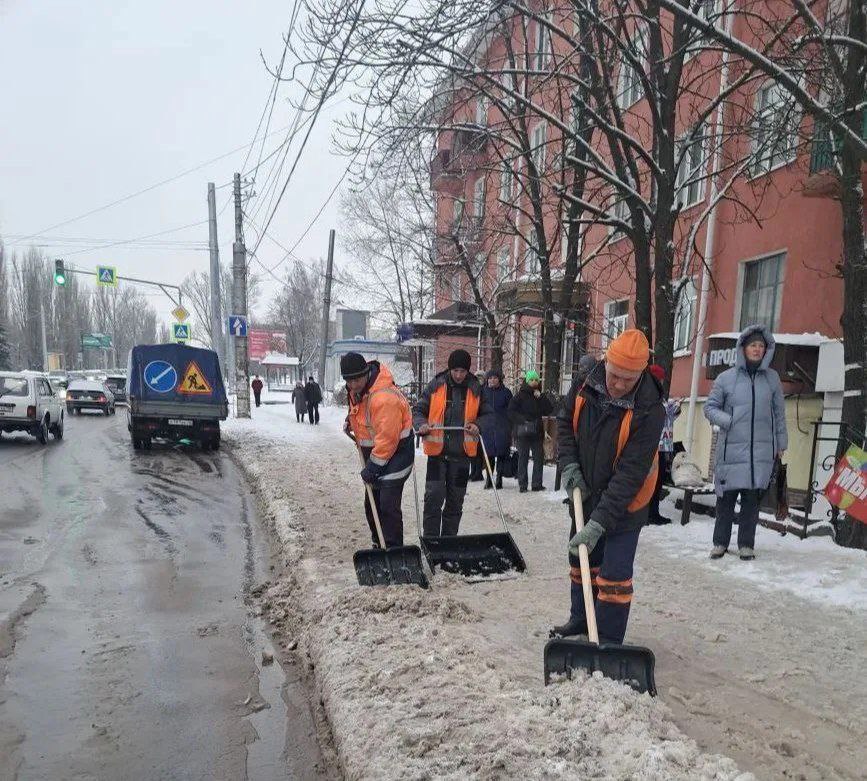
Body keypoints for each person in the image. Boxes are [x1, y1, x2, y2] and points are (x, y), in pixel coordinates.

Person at [552, 329, 665, 644]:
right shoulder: (586, 382)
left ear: (640, 374)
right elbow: (564, 422)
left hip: (626, 503)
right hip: (585, 491)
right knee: (582, 560)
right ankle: (580, 620)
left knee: (614, 575)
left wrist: (599, 522)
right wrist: (569, 465)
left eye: (628, 380)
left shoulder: (650, 408)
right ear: (605, 363)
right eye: (615, 375)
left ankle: (608, 640)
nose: (618, 384)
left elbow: (631, 473)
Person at [704, 324, 788, 561]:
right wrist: (728, 420)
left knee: (751, 502)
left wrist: (781, 443)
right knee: (726, 501)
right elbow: (710, 407)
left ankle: (746, 545)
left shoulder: (772, 379)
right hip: (731, 450)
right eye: (753, 345)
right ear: (743, 348)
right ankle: (720, 542)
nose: (757, 349)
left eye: (761, 346)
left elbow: (779, 414)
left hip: (759, 452)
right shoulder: (725, 378)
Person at [413, 349, 491, 537]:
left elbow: (488, 415)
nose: (458, 375)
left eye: (462, 371)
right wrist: (422, 424)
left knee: (455, 502)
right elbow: (418, 410)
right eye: (455, 370)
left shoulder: (476, 389)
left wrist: (478, 425)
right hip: (437, 456)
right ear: (450, 369)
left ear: (467, 371)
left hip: (462, 456)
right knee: (433, 498)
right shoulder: (436, 385)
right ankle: (431, 542)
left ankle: (449, 541)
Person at [341, 352, 414, 548]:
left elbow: (388, 440)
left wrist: (372, 468)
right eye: (349, 381)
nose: (354, 384)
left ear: (366, 373)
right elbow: (364, 414)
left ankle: (394, 549)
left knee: (387, 505)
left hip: (397, 453)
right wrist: (352, 419)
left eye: (357, 379)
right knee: (371, 505)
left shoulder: (383, 398)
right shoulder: (358, 391)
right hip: (376, 454)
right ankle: (379, 543)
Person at [508, 370, 553, 493]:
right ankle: (523, 484)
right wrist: (522, 420)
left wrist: (542, 397)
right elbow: (511, 411)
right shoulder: (519, 396)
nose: (534, 382)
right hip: (522, 432)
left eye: (536, 380)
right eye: (531, 380)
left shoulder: (539, 395)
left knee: (538, 458)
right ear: (527, 381)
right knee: (523, 457)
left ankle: (536, 484)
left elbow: (549, 410)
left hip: (537, 432)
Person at [646, 364, 680, 525]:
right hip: (652, 446)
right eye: (659, 379)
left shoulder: (660, 397)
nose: (661, 382)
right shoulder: (648, 396)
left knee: (658, 481)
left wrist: (675, 409)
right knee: (650, 481)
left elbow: (666, 418)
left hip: (662, 445)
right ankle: (648, 514)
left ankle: (653, 513)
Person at [480, 369, 513, 489]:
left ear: (499, 379)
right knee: (488, 454)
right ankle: (489, 478)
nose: (492, 380)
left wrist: (509, 425)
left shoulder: (506, 393)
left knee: (501, 454)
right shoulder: (482, 392)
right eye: (490, 378)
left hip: (502, 427)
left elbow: (511, 410)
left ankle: (499, 479)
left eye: (495, 378)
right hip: (487, 427)